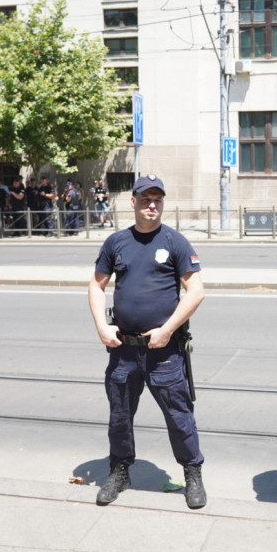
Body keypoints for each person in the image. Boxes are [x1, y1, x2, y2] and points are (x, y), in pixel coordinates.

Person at [87, 174, 206, 510]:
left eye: (157, 200)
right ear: (133, 203)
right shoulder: (116, 242)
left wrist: (167, 329)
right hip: (123, 349)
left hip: (163, 350)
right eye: (145, 199)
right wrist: (101, 327)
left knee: (179, 417)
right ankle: (120, 471)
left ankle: (192, 473)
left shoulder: (175, 242)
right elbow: (96, 285)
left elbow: (195, 291)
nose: (151, 205)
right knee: (119, 417)